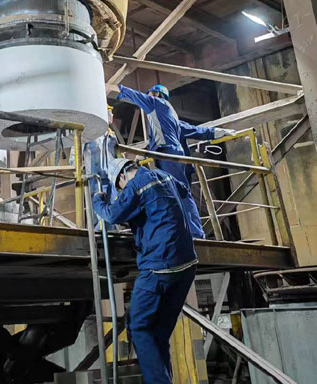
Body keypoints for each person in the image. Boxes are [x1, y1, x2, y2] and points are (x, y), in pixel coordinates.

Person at [92, 158, 197, 384]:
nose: (123, 191)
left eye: (120, 188)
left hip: (160, 266)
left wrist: (97, 199)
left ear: (122, 176)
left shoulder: (136, 185)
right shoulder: (164, 175)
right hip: (187, 265)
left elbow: (112, 215)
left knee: (138, 326)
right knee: (159, 332)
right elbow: (184, 191)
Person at [106, 83, 233, 238]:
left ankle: (195, 233)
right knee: (177, 193)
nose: (148, 97)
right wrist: (217, 132)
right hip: (171, 157)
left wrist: (117, 88)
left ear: (157, 94)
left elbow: (137, 96)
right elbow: (195, 130)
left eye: (150, 94)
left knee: (178, 193)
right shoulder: (169, 116)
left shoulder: (156, 103)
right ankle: (189, 231)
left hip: (168, 155)